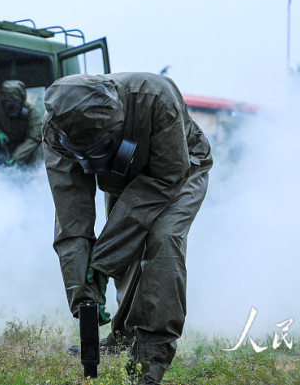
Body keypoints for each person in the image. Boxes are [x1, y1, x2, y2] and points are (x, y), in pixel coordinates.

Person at [42, 72, 212, 384]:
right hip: (122, 178)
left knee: (162, 242)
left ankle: (149, 360)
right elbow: (71, 214)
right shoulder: (57, 127)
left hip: (179, 168)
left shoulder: (157, 98)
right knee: (123, 255)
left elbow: (167, 176)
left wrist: (104, 256)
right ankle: (120, 338)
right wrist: (83, 290)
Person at [0, 80, 42, 165]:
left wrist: (17, 157)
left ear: (22, 101)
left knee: (42, 148)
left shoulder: (31, 112)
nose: (12, 109)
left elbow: (35, 137)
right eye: (7, 105)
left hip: (24, 151)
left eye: (16, 105)